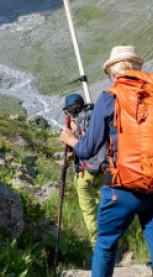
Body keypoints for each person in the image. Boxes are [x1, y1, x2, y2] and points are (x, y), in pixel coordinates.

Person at [59, 46, 153, 277]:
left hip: (124, 189)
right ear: (138, 67)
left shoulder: (110, 97)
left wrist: (70, 139)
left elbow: (88, 149)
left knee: (106, 245)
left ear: (112, 73)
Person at [62, 93, 108, 243]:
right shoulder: (97, 118)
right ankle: (113, 238)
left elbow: (76, 151)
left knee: (89, 212)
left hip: (85, 172)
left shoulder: (74, 124)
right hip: (106, 169)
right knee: (106, 205)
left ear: (70, 111)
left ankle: (98, 245)